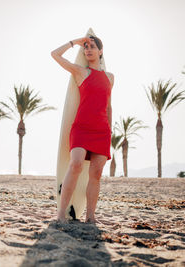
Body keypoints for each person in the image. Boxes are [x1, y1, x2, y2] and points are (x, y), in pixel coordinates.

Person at [51, 35, 114, 223]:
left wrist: (109, 131)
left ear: (101, 51)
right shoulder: (80, 72)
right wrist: (74, 42)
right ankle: (61, 214)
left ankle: (91, 216)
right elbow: (55, 54)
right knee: (76, 164)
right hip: (81, 127)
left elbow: (109, 106)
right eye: (85, 47)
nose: (88, 49)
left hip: (102, 131)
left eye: (92, 46)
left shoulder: (110, 77)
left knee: (96, 174)